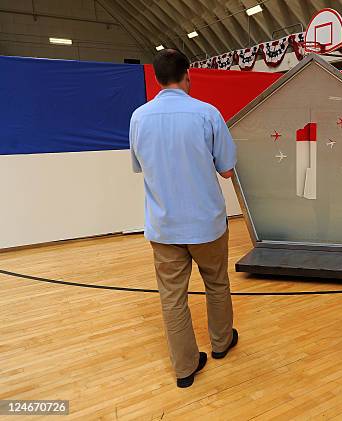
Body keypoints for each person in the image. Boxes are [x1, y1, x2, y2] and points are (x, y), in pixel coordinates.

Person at [129, 49, 238, 388]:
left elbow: (138, 167)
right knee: (216, 283)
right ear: (187, 75)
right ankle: (221, 344)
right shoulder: (207, 114)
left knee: (172, 297)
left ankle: (185, 368)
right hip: (206, 224)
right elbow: (227, 170)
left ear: (156, 78)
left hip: (164, 227)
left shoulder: (138, 117)